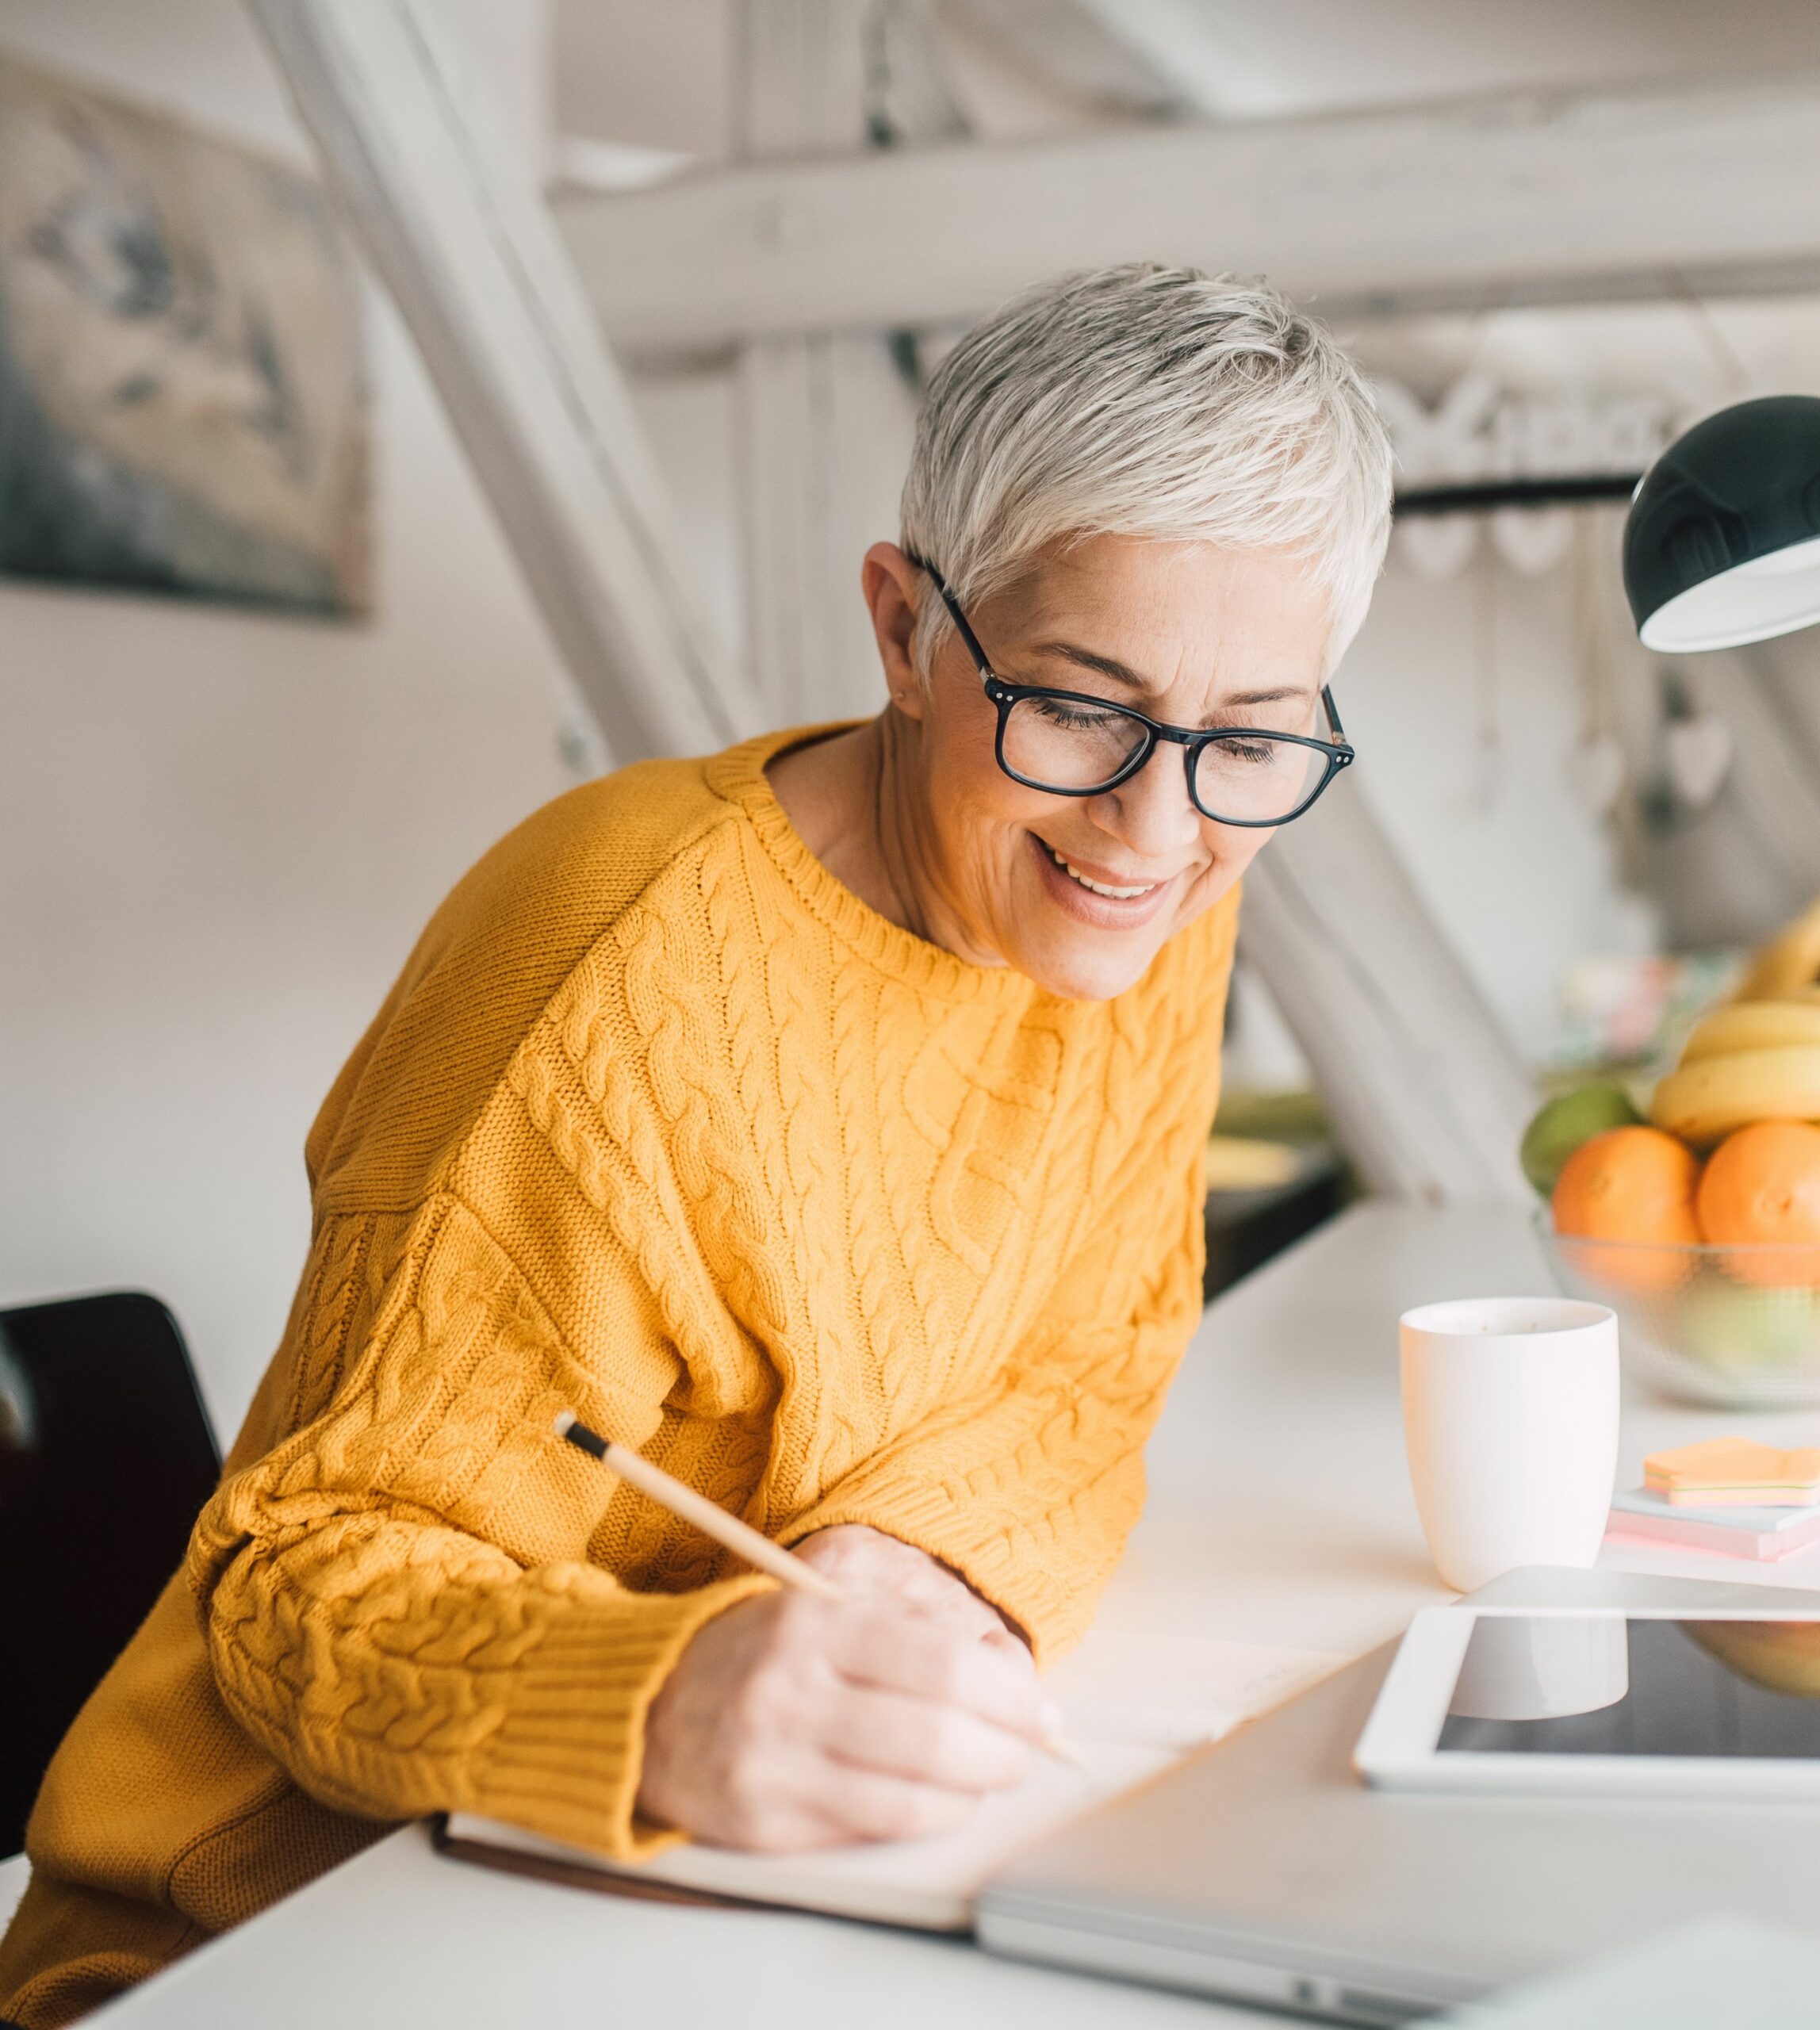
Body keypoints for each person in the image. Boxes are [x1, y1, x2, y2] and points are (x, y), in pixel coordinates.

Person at [0, 262, 1391, 2027]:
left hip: (714, 1912)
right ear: (900, 628)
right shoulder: (610, 973)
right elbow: (295, 1588)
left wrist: (927, 1546)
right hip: (275, 1941)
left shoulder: (1153, 892)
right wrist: (655, 1702)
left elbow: (1102, 1351)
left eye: (1250, 737)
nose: (1152, 821)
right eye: (1075, 706)